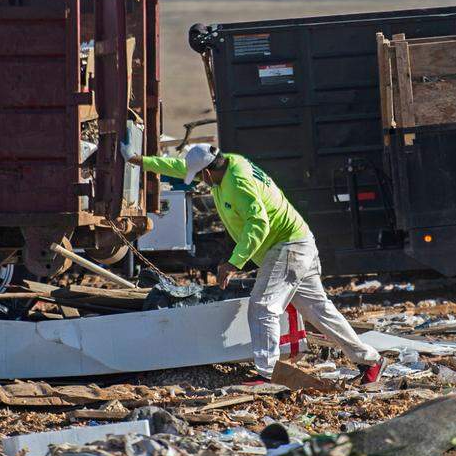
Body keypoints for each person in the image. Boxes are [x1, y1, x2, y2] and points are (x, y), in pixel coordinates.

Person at [130, 144, 385, 384]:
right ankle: (370, 361)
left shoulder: (238, 183)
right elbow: (179, 167)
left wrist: (233, 263)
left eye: (200, 177)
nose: (200, 182)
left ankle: (268, 375)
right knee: (320, 312)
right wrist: (142, 162)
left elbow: (258, 223)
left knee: (263, 307)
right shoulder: (226, 164)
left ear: (208, 171)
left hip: (287, 246)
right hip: (299, 241)